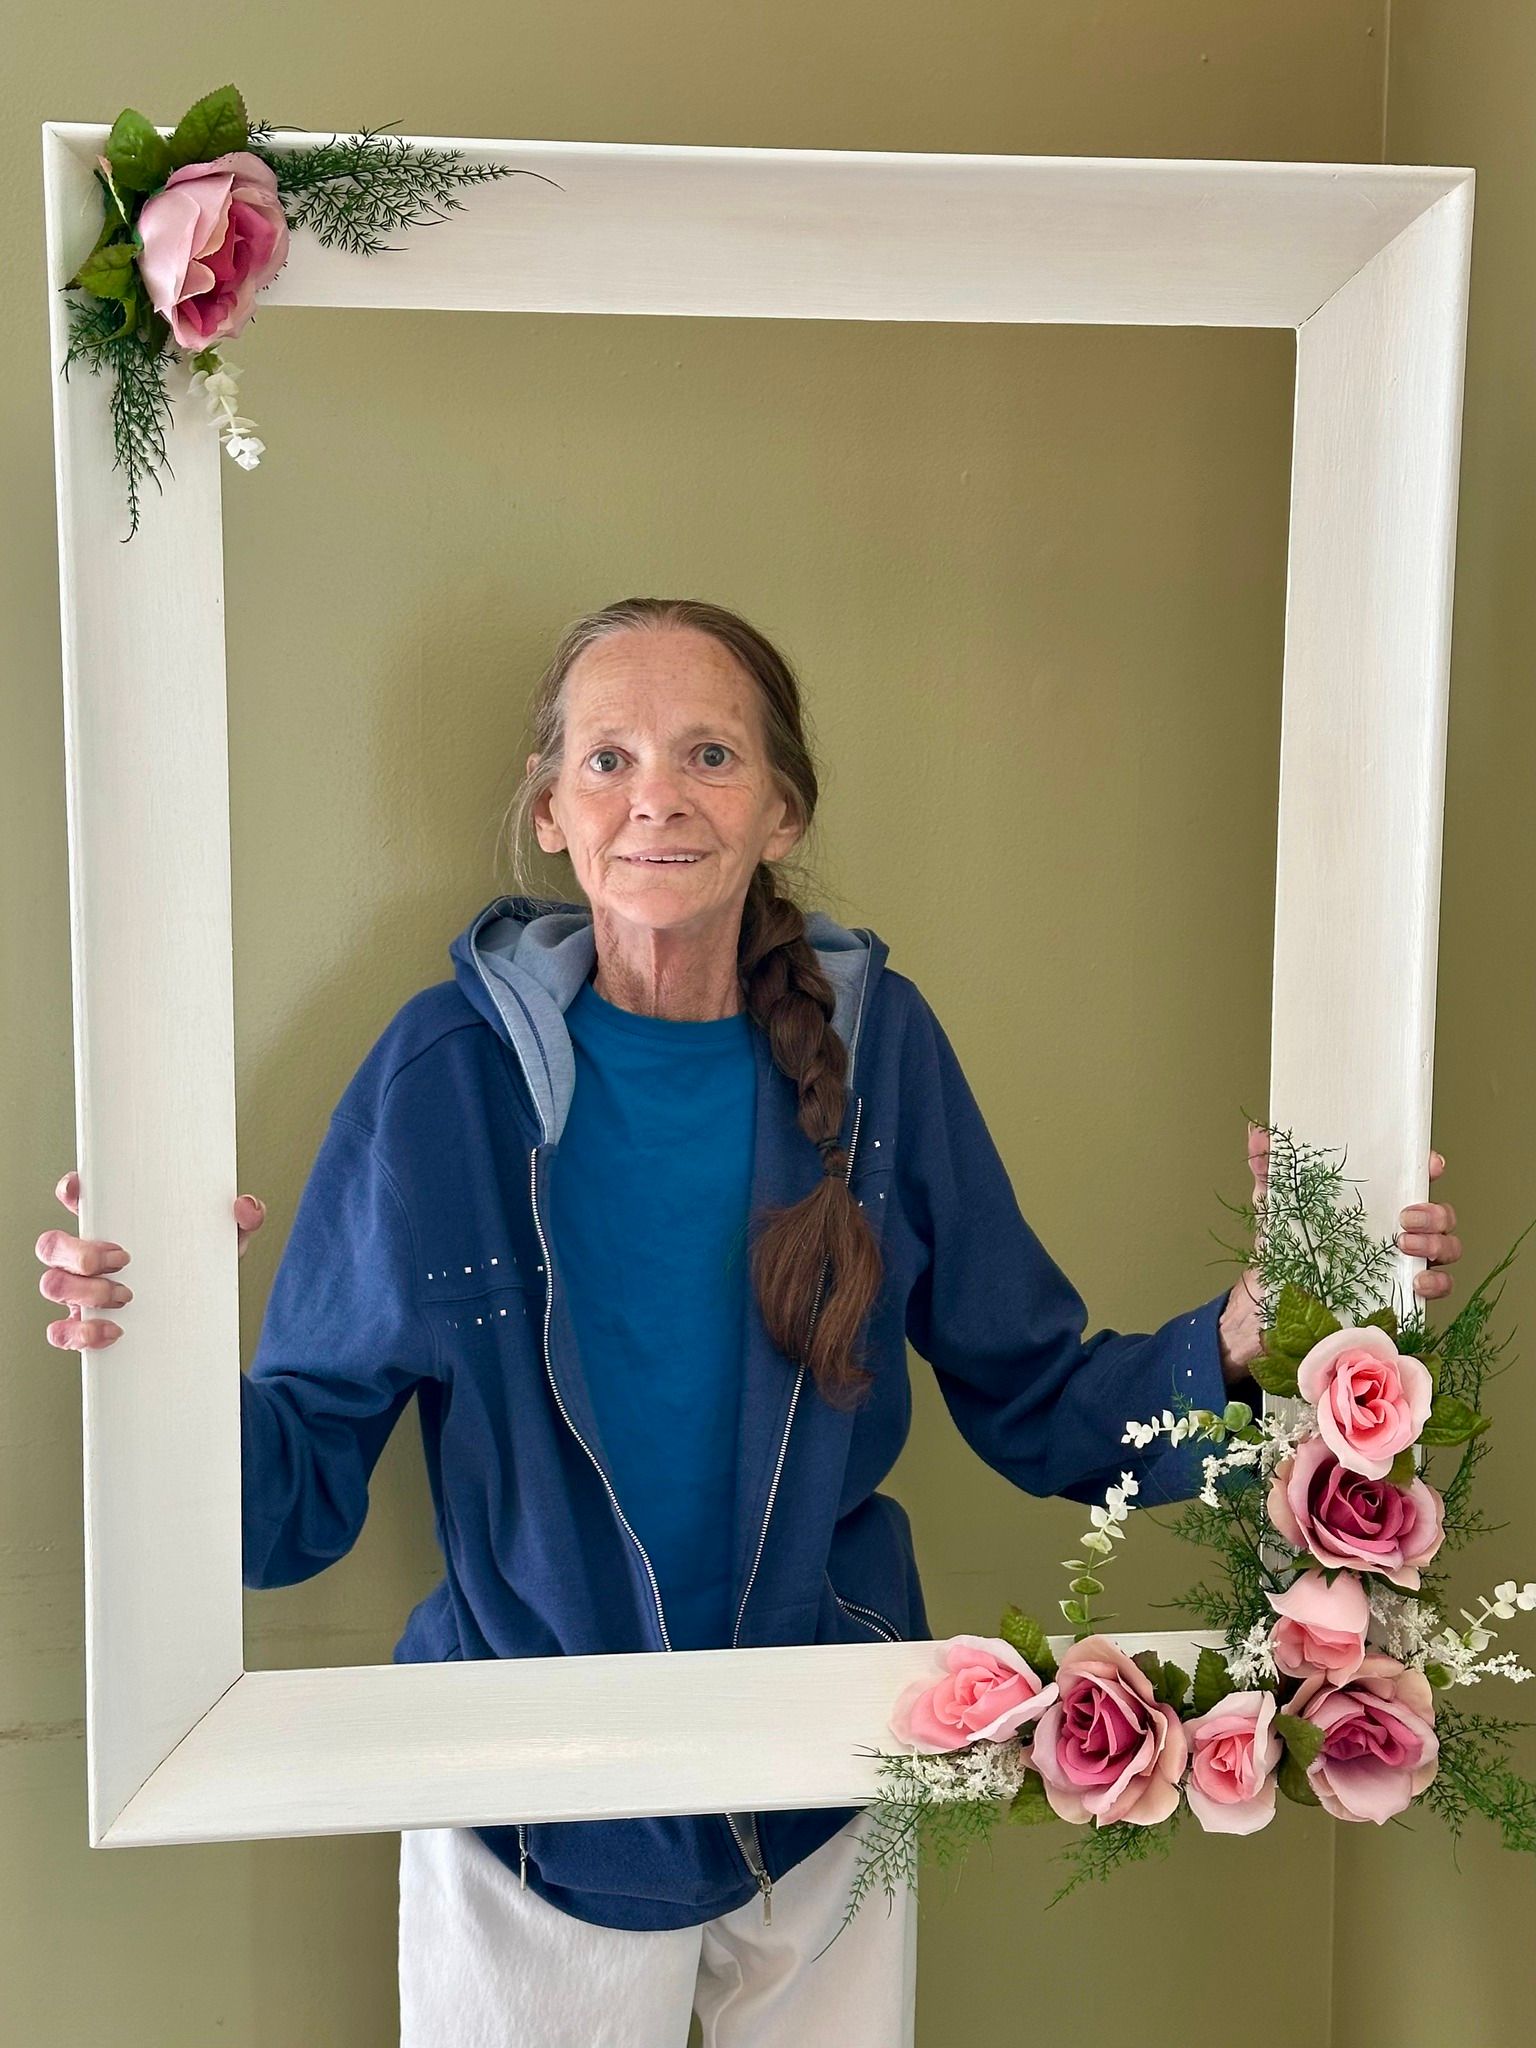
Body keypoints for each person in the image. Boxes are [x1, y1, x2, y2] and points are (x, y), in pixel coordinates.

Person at [36, 596, 1463, 2048]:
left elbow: (1040, 1398)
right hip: (523, 1805)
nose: (656, 796)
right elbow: (290, 1504)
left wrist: (1251, 1333)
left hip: (828, 1776)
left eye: (710, 754)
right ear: (550, 811)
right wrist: (154, 1361)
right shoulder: (440, 1079)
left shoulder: (884, 1050)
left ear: (782, 810)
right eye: (609, 759)